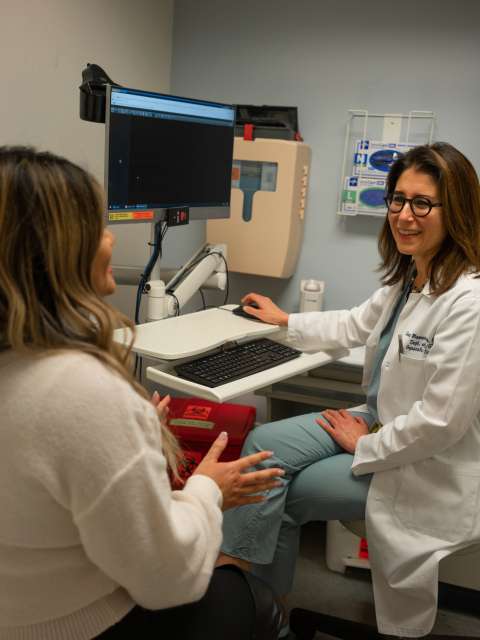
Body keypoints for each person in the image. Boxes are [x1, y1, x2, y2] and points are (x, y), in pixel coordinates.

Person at [0, 146, 285, 640]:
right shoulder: (84, 392)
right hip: (83, 625)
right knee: (245, 594)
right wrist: (207, 492)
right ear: (61, 250)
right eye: (98, 227)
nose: (111, 239)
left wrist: (130, 444)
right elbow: (168, 582)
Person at [218, 142, 480, 638]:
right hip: (379, 420)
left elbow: (442, 423)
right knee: (261, 448)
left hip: (423, 462)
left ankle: (263, 619)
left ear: (457, 211)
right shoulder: (410, 279)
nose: (404, 215)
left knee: (287, 491)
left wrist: (365, 444)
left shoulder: (469, 301)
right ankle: (241, 590)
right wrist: (285, 321)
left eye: (422, 203)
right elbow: (353, 325)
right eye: (397, 199)